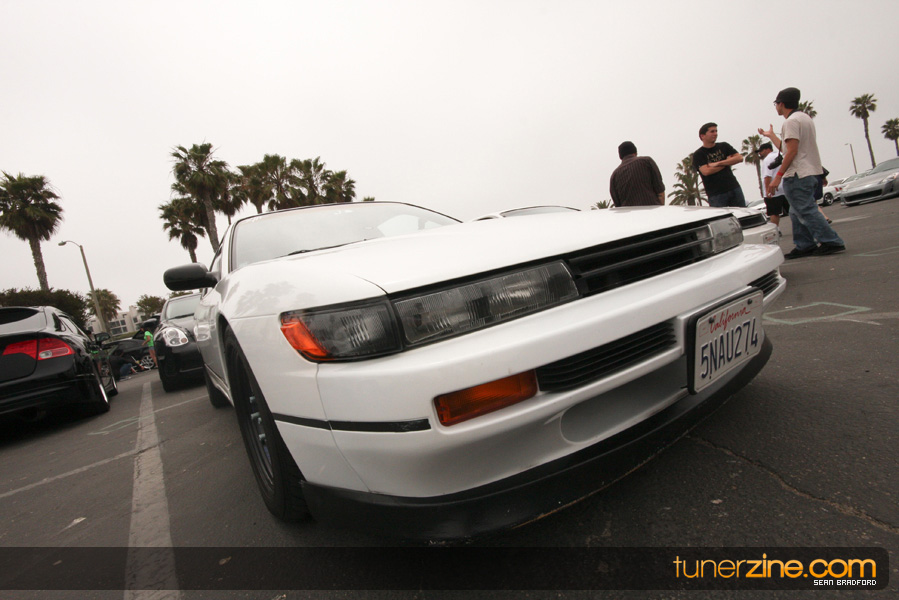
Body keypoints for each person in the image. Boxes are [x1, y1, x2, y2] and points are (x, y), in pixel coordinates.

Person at [759, 87, 846, 258]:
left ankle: (831, 241)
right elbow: (788, 148)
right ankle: (804, 245)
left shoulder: (790, 122)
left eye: (776, 104)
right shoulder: (805, 118)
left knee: (806, 210)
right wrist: (771, 136)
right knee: (795, 211)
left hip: (798, 174)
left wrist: (778, 177)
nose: (776, 107)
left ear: (781, 103)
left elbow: (791, 151)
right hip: (811, 171)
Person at [692, 123, 746, 207]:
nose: (715, 134)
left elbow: (739, 158)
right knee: (721, 216)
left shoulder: (724, 146)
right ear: (702, 136)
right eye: (712, 131)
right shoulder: (698, 154)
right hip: (716, 194)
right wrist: (728, 162)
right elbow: (706, 171)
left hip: (734, 188)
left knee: (742, 212)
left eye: (716, 131)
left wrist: (718, 163)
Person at [609, 141, 666, 207]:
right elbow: (660, 191)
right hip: (652, 211)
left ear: (620, 157)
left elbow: (618, 205)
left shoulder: (614, 175)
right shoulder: (647, 161)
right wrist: (660, 209)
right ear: (635, 152)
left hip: (630, 213)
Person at [757, 142, 788, 228]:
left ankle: (776, 229)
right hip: (785, 188)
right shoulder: (781, 155)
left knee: (774, 213)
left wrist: (767, 190)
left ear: (768, 149)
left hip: (774, 190)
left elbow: (767, 176)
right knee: (793, 210)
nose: (760, 153)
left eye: (761, 151)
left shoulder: (767, 159)